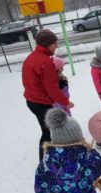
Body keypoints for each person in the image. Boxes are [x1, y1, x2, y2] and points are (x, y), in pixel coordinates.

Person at [22, 29, 74, 161]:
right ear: (47, 44)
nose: (57, 46)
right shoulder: (45, 62)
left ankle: (51, 158)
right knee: (48, 133)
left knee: (49, 131)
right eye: (54, 43)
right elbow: (52, 88)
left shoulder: (31, 57)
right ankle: (44, 163)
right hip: (41, 103)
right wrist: (65, 102)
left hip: (32, 101)